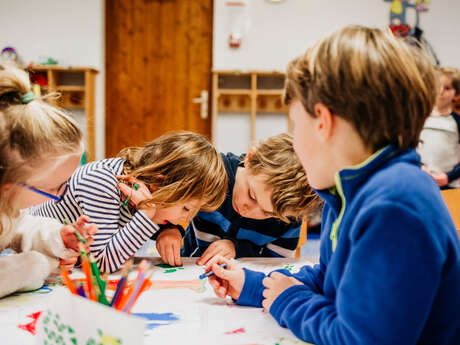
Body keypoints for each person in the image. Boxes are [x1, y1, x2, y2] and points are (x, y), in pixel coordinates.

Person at [205, 25, 460, 345]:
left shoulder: (394, 204)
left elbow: (360, 339)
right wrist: (256, 285)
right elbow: (333, 282)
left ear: (322, 122)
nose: (295, 142)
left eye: (296, 125)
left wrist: (288, 301)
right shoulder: (352, 193)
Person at [30, 131, 228, 273]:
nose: (185, 219)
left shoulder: (137, 188)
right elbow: (101, 264)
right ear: (158, 184)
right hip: (25, 247)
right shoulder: (103, 182)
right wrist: (146, 215)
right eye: (186, 208)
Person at [0, 64, 97, 298]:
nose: (61, 194)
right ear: (9, 187)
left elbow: (16, 227)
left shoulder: (7, 203)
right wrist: (36, 265)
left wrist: (57, 236)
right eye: (53, 188)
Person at [181, 133, 317, 265]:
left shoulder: (288, 219)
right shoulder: (213, 173)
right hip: (187, 269)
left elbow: (273, 263)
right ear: (250, 159)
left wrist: (237, 249)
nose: (249, 211)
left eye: (267, 214)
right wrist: (168, 229)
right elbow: (167, 195)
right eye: (252, 196)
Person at [418, 67, 460, 188]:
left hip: (449, 184)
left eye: (447, 88)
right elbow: (409, 148)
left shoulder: (456, 121)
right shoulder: (420, 119)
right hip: (422, 180)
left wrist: (449, 176)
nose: (441, 91)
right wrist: (419, 166)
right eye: (438, 86)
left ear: (456, 95)